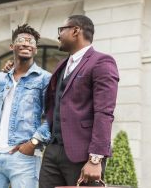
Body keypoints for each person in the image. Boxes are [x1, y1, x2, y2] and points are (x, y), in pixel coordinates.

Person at [39, 15, 119, 188]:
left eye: (62, 30)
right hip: (53, 151)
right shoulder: (62, 65)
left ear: (75, 31)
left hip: (83, 154)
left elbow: (104, 112)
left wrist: (96, 158)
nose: (58, 36)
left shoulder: (101, 62)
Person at [0, 24, 51, 188]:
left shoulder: (45, 78)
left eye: (30, 41)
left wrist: (33, 143)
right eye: (21, 40)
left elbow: (52, 117)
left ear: (35, 49)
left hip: (24, 157)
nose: (26, 44)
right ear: (12, 46)